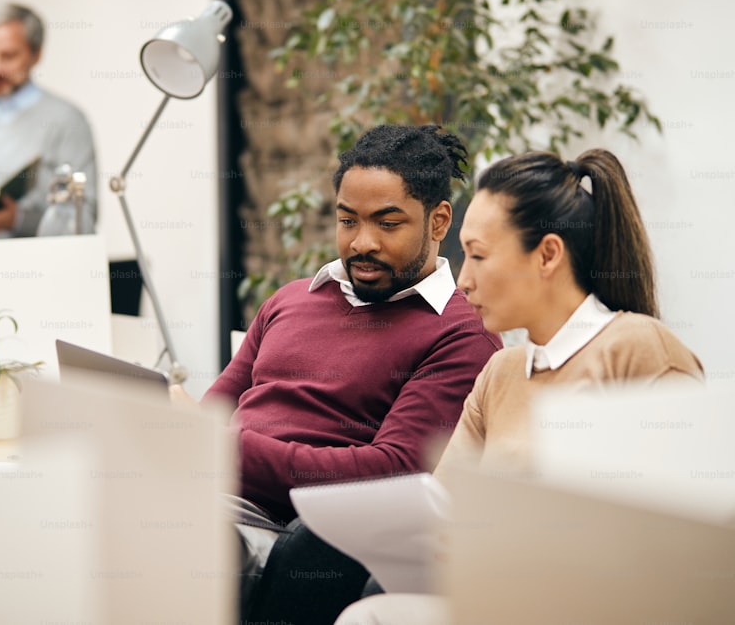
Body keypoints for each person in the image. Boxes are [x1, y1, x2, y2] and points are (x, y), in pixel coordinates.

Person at [334, 147, 704, 625]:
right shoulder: (501, 372)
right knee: (369, 612)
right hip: (499, 597)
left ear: (548, 254)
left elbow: (683, 541)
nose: (463, 280)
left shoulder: (640, 349)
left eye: (479, 256)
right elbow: (442, 516)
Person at [176, 123, 502, 624]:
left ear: (438, 222)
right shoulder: (290, 299)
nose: (362, 243)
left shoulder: (461, 336)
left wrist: (220, 449)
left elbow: (389, 475)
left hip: (287, 534)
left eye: (387, 224)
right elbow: (213, 413)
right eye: (348, 221)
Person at [0, 3, 98, 238]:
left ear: (36, 55)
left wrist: (17, 219)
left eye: (8, 56)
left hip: (43, 267)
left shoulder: (68, 122)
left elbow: (85, 217)